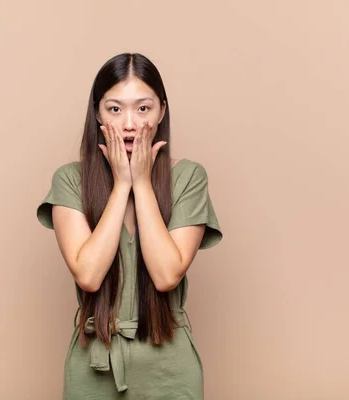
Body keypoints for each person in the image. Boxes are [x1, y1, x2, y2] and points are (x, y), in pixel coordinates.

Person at [36, 52, 223, 399]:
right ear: (97, 112)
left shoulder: (188, 177)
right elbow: (89, 275)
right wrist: (122, 185)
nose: (130, 124)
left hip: (169, 367)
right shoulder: (71, 180)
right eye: (115, 109)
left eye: (143, 108)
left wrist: (142, 182)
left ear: (162, 111)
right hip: (95, 364)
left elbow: (167, 275)